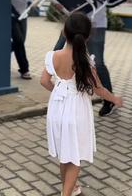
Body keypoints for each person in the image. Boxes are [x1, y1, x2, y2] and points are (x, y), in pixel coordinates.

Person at [40, 12, 123, 196]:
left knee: (65, 153)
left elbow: (44, 81)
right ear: (88, 36)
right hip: (77, 110)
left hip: (56, 109)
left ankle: (71, 188)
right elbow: (98, 89)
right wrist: (114, 99)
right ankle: (66, 193)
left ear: (64, 31)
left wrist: (58, 90)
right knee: (75, 155)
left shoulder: (52, 56)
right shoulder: (86, 61)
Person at [54, 0, 116, 117]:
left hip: (96, 24)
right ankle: (68, 92)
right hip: (74, 25)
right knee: (57, 52)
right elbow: (68, 0)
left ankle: (109, 100)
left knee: (98, 63)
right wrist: (59, 5)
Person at [11, 0, 37, 79]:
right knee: (19, 41)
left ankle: (0, 55)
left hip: (24, 13)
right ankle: (24, 69)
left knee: (20, 42)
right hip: (12, 14)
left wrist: (35, 0)